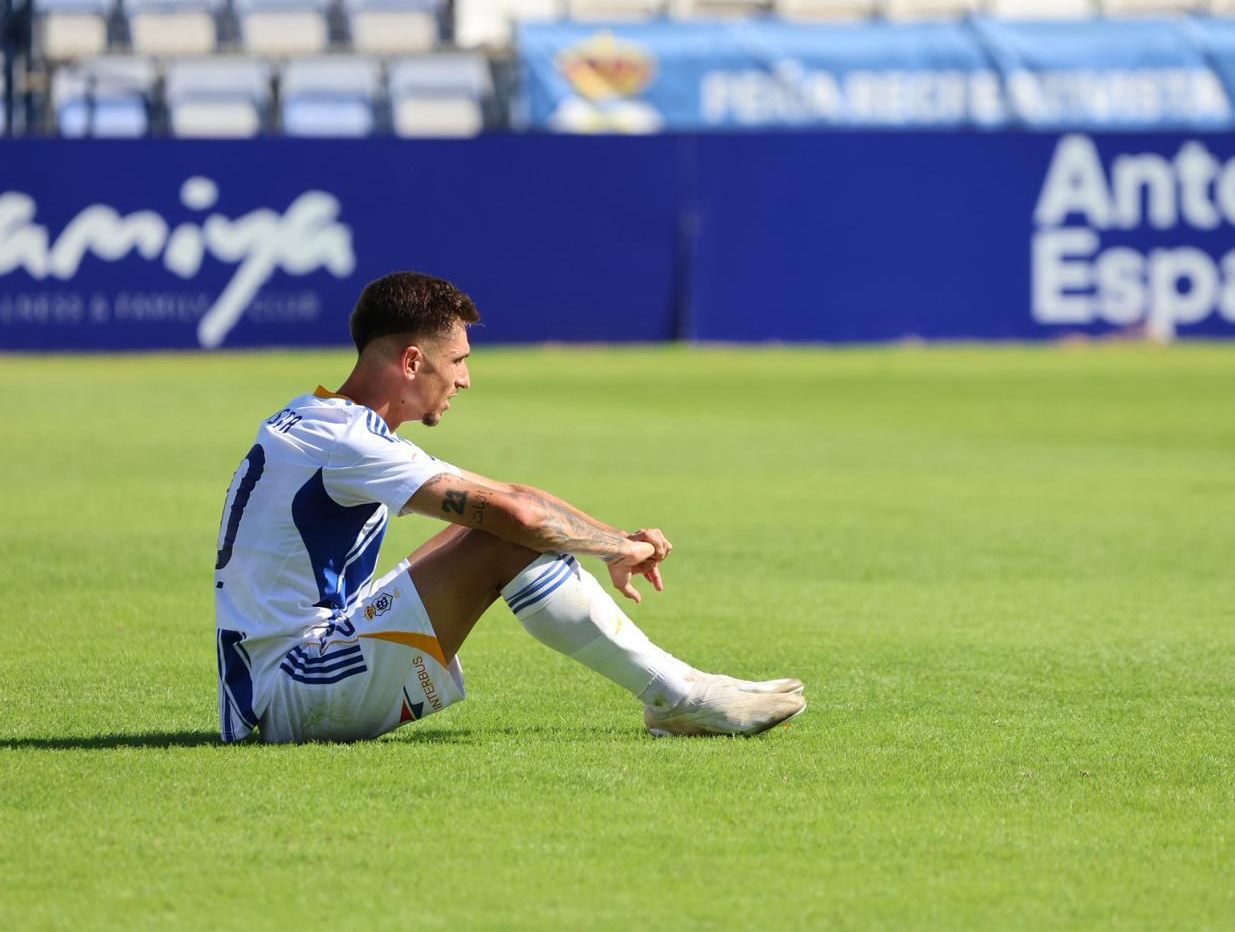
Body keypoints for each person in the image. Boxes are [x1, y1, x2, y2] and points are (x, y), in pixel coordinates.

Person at [213, 271, 805, 744]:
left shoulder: (318, 418)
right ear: (413, 362)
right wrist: (619, 549)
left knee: (498, 526)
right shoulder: (349, 441)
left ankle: (679, 689)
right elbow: (517, 517)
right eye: (459, 360)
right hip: (301, 686)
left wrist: (613, 538)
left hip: (274, 679)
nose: (465, 380)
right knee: (505, 536)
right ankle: (680, 697)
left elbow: (513, 496)